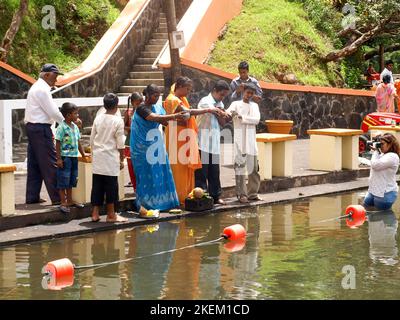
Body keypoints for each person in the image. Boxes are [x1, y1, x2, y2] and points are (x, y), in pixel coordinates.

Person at [163, 76, 221, 205]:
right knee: (178, 168)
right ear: (180, 87)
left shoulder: (181, 98)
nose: (189, 92)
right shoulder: (172, 99)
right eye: (187, 89)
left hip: (184, 135)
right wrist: (208, 109)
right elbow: (187, 112)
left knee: (186, 168)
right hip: (175, 135)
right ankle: (178, 198)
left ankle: (186, 195)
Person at [130, 84, 187, 212]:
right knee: (146, 174)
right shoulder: (141, 108)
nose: (157, 98)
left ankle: (165, 202)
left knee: (162, 172)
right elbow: (154, 118)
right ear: (147, 95)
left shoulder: (157, 107)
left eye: (158, 96)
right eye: (155, 96)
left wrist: (179, 118)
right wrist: (174, 116)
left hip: (156, 145)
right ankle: (147, 205)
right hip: (142, 148)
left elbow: (164, 121)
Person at [24, 63, 65, 205]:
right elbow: (53, 112)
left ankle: (32, 196)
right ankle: (58, 197)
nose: (56, 79)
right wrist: (67, 123)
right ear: (47, 74)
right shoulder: (42, 89)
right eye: (55, 76)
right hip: (40, 129)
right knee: (50, 162)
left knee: (35, 163)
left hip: (32, 128)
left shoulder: (37, 87)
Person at [90, 93, 128, 223]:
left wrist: (93, 153)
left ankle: (95, 213)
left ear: (104, 105)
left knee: (97, 185)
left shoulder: (98, 118)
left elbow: (92, 139)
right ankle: (111, 214)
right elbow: (120, 144)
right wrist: (122, 159)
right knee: (111, 186)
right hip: (111, 157)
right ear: (117, 105)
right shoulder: (118, 120)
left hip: (99, 156)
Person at [195, 80, 230, 205]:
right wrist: (221, 111)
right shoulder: (205, 101)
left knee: (214, 172)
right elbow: (214, 110)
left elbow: (223, 123)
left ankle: (215, 196)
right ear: (214, 90)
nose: (222, 97)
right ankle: (201, 197)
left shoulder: (219, 103)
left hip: (214, 142)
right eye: (221, 94)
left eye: (224, 96)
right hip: (202, 142)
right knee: (202, 173)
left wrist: (224, 115)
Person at [226, 83, 261, 204]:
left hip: (251, 141)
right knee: (240, 169)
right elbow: (228, 113)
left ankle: (253, 193)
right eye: (247, 92)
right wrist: (232, 114)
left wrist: (241, 117)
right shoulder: (235, 104)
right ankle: (242, 195)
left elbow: (256, 120)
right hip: (239, 141)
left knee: (254, 169)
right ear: (243, 92)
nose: (249, 95)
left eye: (251, 93)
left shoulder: (255, 106)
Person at [55, 103, 87, 214]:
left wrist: (83, 154)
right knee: (63, 180)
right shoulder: (61, 127)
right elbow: (58, 142)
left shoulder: (75, 127)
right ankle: (63, 202)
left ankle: (70, 200)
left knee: (72, 180)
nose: (77, 115)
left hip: (74, 157)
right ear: (68, 115)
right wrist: (59, 159)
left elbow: (78, 142)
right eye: (75, 113)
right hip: (65, 157)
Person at [364, 133, 400, 210]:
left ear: (390, 144)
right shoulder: (383, 154)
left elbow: (375, 165)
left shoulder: (393, 156)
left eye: (382, 144)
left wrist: (376, 151)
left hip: (385, 193)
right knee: (368, 212)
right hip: (373, 191)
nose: (380, 146)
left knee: (382, 218)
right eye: (379, 144)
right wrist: (376, 150)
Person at [124, 92, 143, 189]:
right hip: (130, 142)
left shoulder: (144, 112)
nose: (140, 105)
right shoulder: (128, 113)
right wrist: (132, 129)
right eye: (137, 103)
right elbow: (123, 126)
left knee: (140, 165)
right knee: (131, 166)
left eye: (141, 102)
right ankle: (135, 185)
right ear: (132, 103)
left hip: (141, 142)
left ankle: (140, 185)